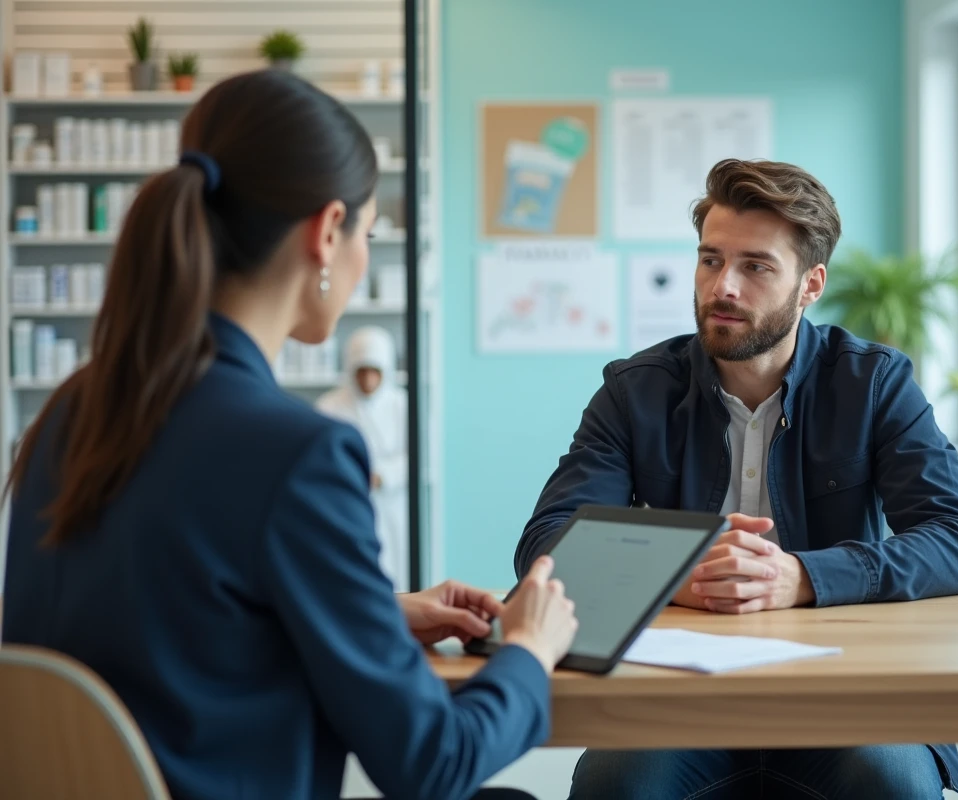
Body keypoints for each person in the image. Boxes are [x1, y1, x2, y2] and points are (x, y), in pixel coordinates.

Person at [1, 70, 577, 800]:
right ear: (327, 232)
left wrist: (374, 613)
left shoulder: (68, 414)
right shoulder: (296, 452)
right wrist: (529, 649)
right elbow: (434, 763)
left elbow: (163, 620)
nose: (363, 259)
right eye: (367, 233)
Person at [515, 159, 958, 799]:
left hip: (843, 692)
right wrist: (678, 571)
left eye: (756, 267)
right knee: (613, 787)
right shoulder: (635, 391)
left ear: (810, 284)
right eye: (711, 260)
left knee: (896, 783)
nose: (723, 287)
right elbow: (546, 541)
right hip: (678, 700)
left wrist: (801, 577)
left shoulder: (874, 384)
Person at [318, 326, 409, 589]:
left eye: (375, 372)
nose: (368, 380)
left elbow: (415, 458)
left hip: (392, 508)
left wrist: (382, 476)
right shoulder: (329, 406)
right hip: (345, 502)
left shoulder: (401, 405)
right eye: (361, 371)